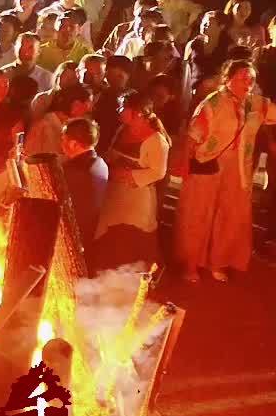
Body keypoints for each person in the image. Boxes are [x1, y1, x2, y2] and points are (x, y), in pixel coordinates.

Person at [176, 61, 276, 282]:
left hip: (239, 168)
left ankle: (218, 261)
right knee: (199, 214)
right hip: (208, 163)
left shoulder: (257, 104)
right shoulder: (212, 103)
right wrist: (184, 164)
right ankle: (191, 265)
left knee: (231, 215)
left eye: (251, 78)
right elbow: (192, 137)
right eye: (242, 76)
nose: (248, 82)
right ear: (228, 77)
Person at [92, 91, 169, 271]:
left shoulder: (157, 141)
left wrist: (127, 175)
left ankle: (136, 274)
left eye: (123, 108)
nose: (119, 111)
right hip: (114, 192)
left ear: (139, 112)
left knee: (133, 233)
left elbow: (159, 172)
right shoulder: (123, 130)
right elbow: (112, 153)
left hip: (137, 196)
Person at [59, 118, 107, 241]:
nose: (61, 145)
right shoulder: (100, 163)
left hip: (72, 238)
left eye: (63, 140)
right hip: (92, 234)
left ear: (73, 144)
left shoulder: (72, 172)